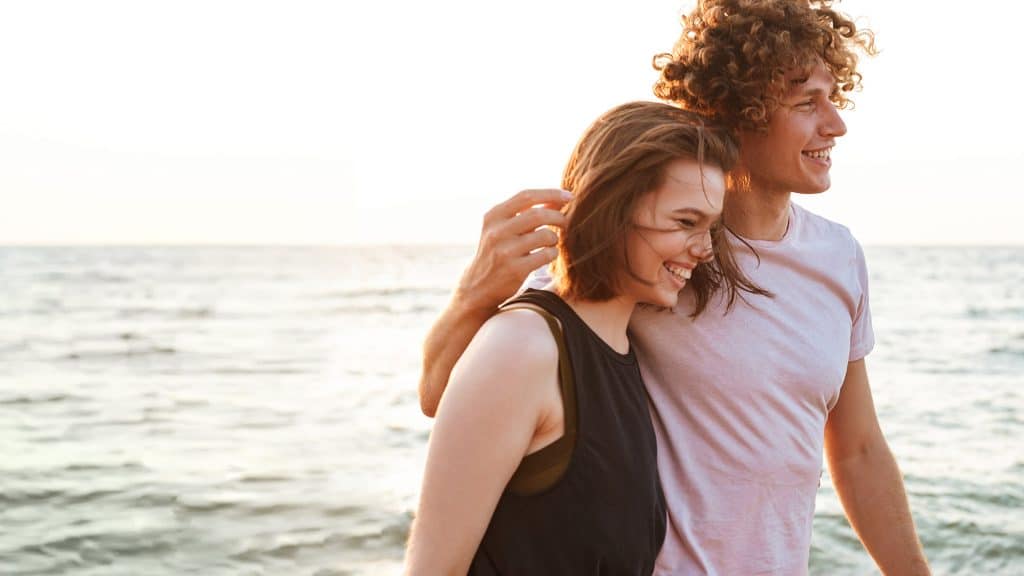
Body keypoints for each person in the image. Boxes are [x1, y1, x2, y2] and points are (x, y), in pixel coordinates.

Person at [416, 1, 932, 574]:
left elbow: (858, 451)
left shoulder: (838, 258)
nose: (835, 123)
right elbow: (452, 395)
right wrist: (472, 297)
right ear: (739, 111)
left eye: (835, 98)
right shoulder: (651, 252)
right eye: (806, 101)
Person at [405, 101, 751, 575]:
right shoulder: (524, 348)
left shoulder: (624, 353)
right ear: (612, 208)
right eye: (685, 222)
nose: (705, 250)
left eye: (710, 227)